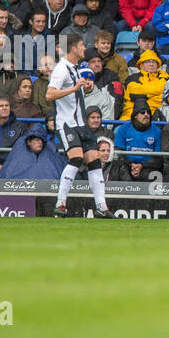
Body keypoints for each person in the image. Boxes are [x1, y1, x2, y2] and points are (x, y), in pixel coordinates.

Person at [47, 35, 114, 218]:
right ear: (73, 48)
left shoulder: (76, 68)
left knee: (94, 161)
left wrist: (82, 88)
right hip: (67, 124)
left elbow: (75, 92)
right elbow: (50, 95)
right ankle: (60, 204)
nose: (84, 48)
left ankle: (102, 207)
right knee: (76, 159)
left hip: (81, 123)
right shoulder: (61, 69)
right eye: (82, 45)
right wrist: (74, 89)